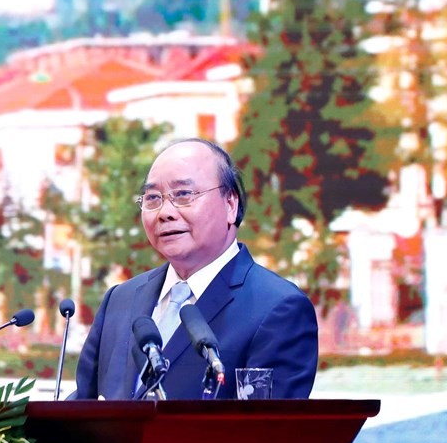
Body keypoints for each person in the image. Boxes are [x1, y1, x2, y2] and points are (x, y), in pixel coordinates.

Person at [72, 138, 318, 400]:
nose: (165, 212)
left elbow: (264, 434)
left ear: (230, 204)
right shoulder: (119, 300)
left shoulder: (278, 308)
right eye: (153, 198)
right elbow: (83, 408)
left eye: (183, 195)